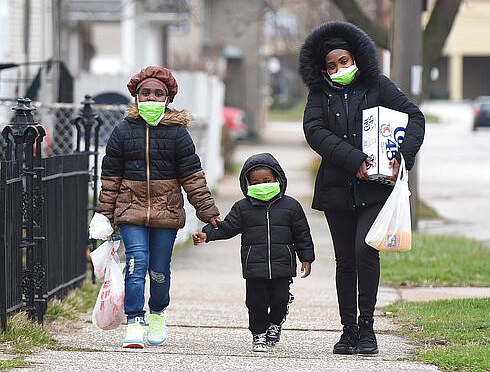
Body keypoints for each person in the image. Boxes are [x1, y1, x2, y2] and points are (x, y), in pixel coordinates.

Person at [299, 21, 425, 355]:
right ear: (323, 69)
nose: (339, 68)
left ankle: (368, 328)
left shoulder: (378, 86)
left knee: (365, 249)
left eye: (343, 61)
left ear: (355, 58)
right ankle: (348, 330)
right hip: (337, 188)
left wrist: (403, 155)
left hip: (376, 190)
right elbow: (314, 131)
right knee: (345, 260)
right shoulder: (320, 95)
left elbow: (414, 117)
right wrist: (353, 158)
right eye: (331, 65)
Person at [96, 65, 220, 349]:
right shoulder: (123, 132)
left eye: (157, 94)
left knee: (159, 270)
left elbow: (193, 177)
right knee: (137, 263)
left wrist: (207, 210)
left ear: (168, 98)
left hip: (167, 212)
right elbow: (111, 179)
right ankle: (135, 321)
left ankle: (158, 313)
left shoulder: (177, 135)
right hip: (130, 211)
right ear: (136, 97)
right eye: (145, 94)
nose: (151, 99)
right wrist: (105, 215)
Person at [192, 153, 315, 352]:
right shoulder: (243, 208)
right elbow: (227, 228)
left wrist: (306, 258)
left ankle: (275, 324)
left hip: (282, 266)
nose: (262, 186)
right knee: (256, 303)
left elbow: (302, 234)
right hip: (254, 267)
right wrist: (207, 234)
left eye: (267, 181)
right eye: (255, 182)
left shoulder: (291, 206)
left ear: (278, 180)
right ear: (247, 184)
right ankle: (258, 334)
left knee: (280, 300)